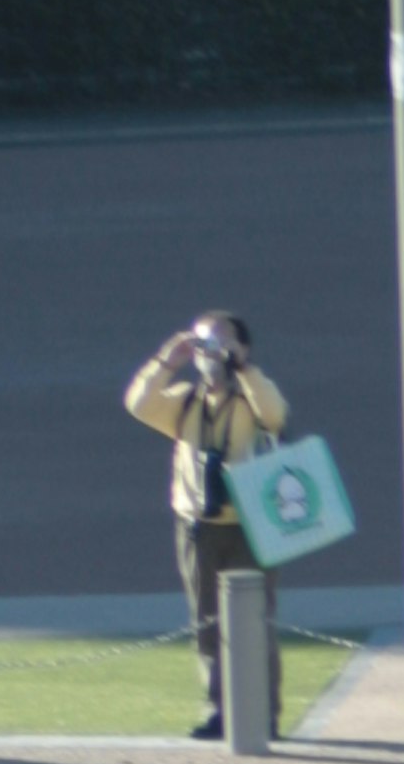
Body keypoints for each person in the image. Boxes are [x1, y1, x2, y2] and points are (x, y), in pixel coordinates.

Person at [123, 312, 289, 734]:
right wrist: (166, 360)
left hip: (253, 525)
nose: (208, 354)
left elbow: (276, 415)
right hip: (198, 524)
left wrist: (243, 369)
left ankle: (263, 713)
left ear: (241, 349)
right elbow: (138, 404)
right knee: (207, 621)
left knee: (256, 621)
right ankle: (218, 710)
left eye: (218, 344)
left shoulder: (252, 397)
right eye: (203, 345)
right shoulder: (185, 401)